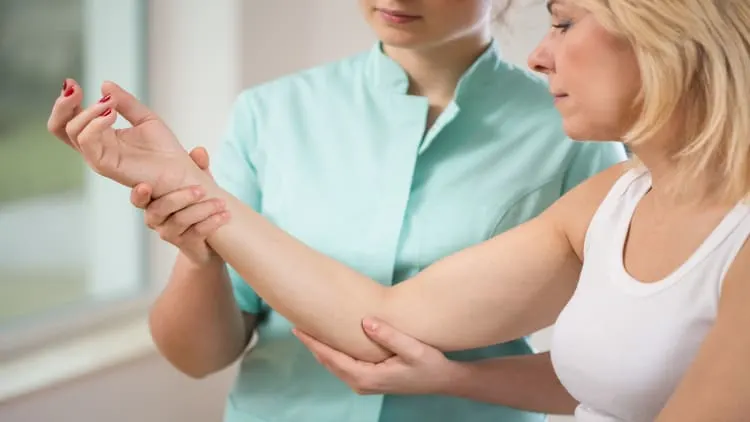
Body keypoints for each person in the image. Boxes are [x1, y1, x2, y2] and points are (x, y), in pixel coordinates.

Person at [47, 0, 750, 419]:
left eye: (564, 21)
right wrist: (190, 193)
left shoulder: (584, 146)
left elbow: (621, 365)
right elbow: (384, 319)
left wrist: (462, 383)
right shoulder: (617, 196)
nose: (542, 55)